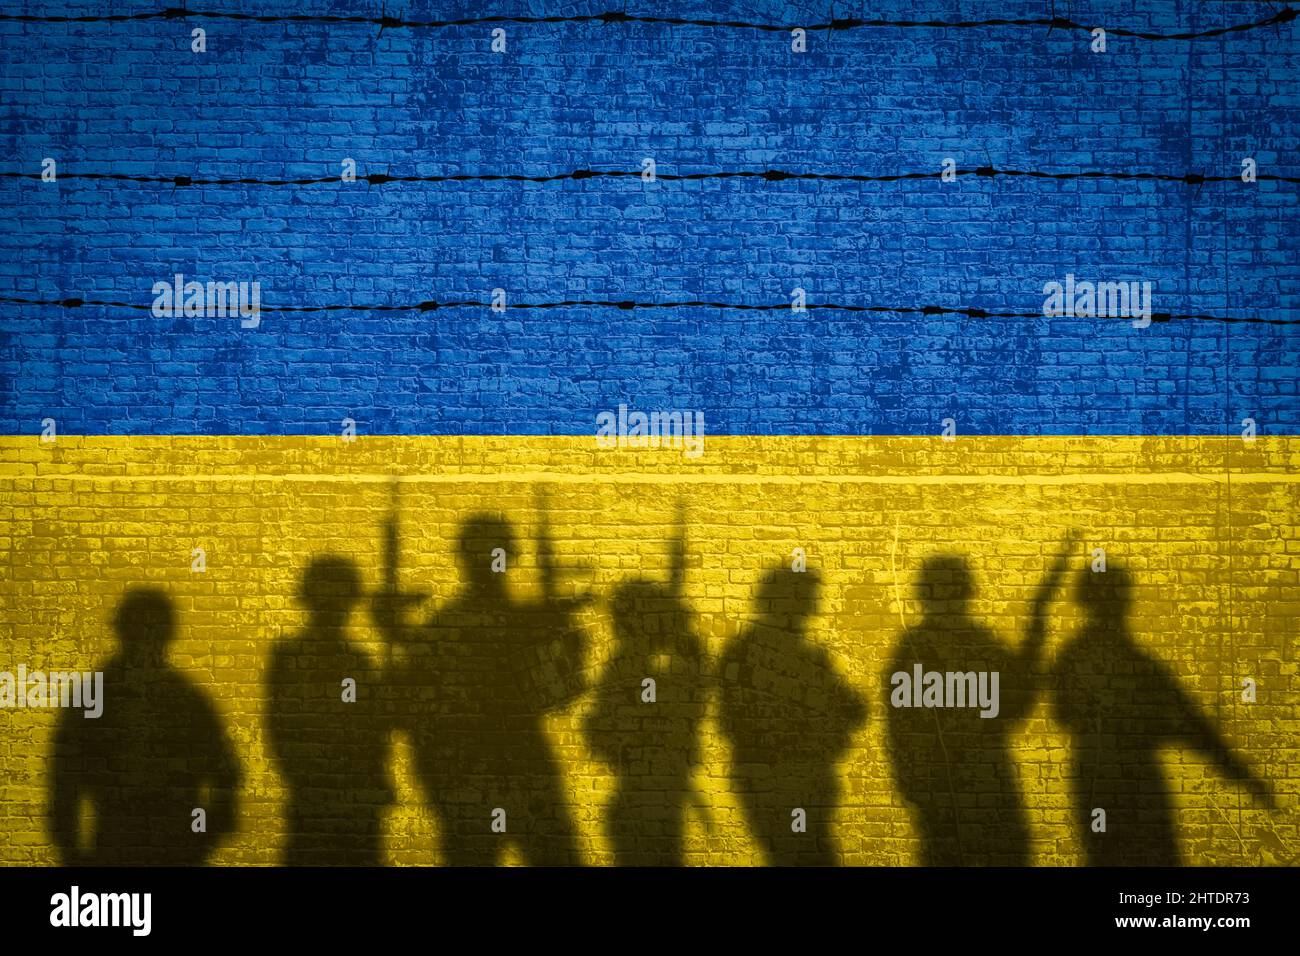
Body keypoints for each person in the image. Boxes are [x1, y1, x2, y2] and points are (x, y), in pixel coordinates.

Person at [1053, 563, 1275, 865]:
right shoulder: (1135, 662)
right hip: (1134, 782)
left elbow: (1064, 715)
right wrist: (1239, 773)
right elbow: (1189, 721)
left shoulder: (1073, 656)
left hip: (1094, 780)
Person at [50, 588, 241, 865]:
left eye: (152, 629)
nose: (146, 639)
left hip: (163, 837)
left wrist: (207, 833)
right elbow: (65, 781)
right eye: (140, 629)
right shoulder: (181, 696)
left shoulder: (182, 698)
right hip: (126, 835)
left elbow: (225, 772)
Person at [267, 556, 394, 865]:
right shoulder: (291, 658)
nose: (334, 607)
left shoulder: (359, 662)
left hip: (354, 805)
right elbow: (284, 731)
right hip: (319, 801)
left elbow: (380, 728)